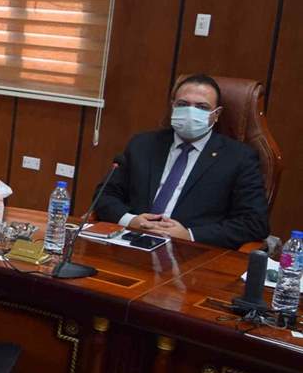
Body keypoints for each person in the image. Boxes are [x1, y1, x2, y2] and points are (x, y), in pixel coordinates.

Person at [94, 74, 269, 250]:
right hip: (130, 242)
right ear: (173, 107)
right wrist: (131, 220)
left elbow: (254, 223)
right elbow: (104, 195)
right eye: (183, 104)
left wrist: (190, 235)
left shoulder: (239, 157)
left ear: (216, 114)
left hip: (190, 252)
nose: (190, 112)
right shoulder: (142, 145)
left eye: (202, 107)